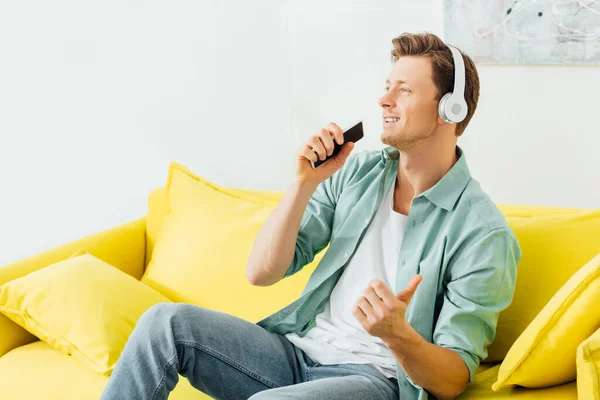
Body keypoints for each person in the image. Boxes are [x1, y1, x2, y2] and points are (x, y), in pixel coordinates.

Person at [100, 32, 521, 400]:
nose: (384, 100)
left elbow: (452, 382)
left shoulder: (483, 234)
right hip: (295, 355)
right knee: (165, 324)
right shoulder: (358, 173)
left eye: (404, 91)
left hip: (374, 379)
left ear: (450, 109)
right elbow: (261, 272)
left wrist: (397, 334)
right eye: (386, 86)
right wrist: (303, 183)